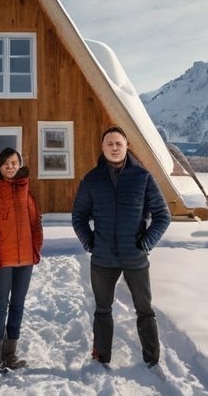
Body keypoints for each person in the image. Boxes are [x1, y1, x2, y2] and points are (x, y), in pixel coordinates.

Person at [71, 126, 171, 368]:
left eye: (119, 143)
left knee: (144, 310)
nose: (114, 148)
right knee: (102, 310)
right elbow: (78, 216)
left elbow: (162, 215)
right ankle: (101, 357)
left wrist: (146, 242)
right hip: (103, 258)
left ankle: (152, 360)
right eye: (109, 144)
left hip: (135, 256)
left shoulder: (143, 178)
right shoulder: (92, 179)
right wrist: (90, 241)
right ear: (103, 148)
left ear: (127, 146)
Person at [0, 147, 43, 374]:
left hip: (25, 259)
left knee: (17, 304)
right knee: (0, 304)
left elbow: (35, 222)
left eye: (15, 162)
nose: (11, 167)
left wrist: (35, 249)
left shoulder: (24, 188)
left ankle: (10, 355)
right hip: (3, 260)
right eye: (6, 163)